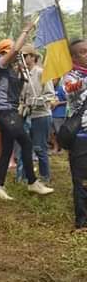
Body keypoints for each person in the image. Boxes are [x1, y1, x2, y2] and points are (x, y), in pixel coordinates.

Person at [0, 24, 53, 200]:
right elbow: (17, 47)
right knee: (26, 142)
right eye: (12, 52)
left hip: (11, 110)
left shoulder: (12, 70)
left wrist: (21, 72)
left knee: (8, 149)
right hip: (4, 111)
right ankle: (32, 182)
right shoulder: (0, 64)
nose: (17, 55)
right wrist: (26, 31)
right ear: (4, 52)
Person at [20, 44, 55, 183]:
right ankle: (26, 176)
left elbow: (50, 95)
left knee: (40, 148)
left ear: (32, 57)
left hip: (41, 115)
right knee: (26, 147)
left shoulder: (41, 72)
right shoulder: (23, 75)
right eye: (21, 57)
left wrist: (35, 101)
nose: (22, 59)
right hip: (26, 115)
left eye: (25, 56)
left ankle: (45, 177)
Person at [62, 39, 87, 231]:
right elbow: (70, 89)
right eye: (84, 52)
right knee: (81, 180)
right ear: (74, 57)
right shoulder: (70, 77)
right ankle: (82, 222)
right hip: (81, 136)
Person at [51, 77, 67, 153]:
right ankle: (55, 147)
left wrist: (58, 103)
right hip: (51, 113)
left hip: (59, 114)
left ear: (58, 80)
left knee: (59, 132)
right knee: (52, 133)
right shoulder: (50, 89)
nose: (52, 81)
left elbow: (67, 100)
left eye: (54, 79)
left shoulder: (61, 89)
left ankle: (63, 147)